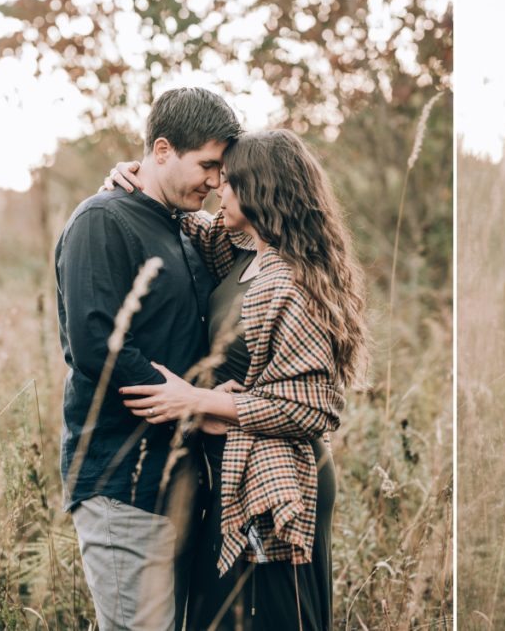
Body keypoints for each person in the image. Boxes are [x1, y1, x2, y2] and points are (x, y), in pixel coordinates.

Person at [108, 129, 368, 630]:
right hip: (234, 476)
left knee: (269, 619)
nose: (216, 192)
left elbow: (312, 408)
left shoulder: (293, 279)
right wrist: (134, 175)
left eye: (227, 183)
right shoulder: (243, 253)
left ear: (259, 190)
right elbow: (183, 216)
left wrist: (196, 400)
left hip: (279, 481)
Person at [56, 87, 241, 631]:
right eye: (206, 164)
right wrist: (189, 405)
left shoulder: (185, 228)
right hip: (122, 487)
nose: (214, 181)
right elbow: (96, 344)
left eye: (221, 169)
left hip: (185, 483)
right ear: (162, 150)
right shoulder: (102, 219)